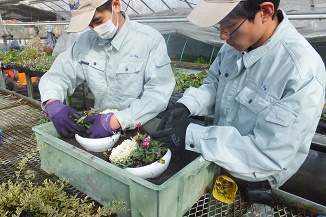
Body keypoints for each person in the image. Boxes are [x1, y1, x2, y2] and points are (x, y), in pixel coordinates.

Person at [152, 0, 326, 191]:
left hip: (254, 179)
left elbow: (266, 154)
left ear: (266, 12)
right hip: (216, 157)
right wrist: (188, 105)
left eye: (230, 26)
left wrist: (192, 134)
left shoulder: (301, 72)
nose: (222, 36)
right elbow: (214, 85)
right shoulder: (233, 48)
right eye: (219, 26)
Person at [39, 0, 175, 138]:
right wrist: (52, 102)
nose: (95, 28)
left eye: (98, 20)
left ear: (115, 5)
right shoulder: (84, 42)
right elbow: (60, 75)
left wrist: (117, 120)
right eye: (89, 25)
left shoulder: (149, 40)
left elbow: (158, 93)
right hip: (99, 126)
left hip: (141, 128)